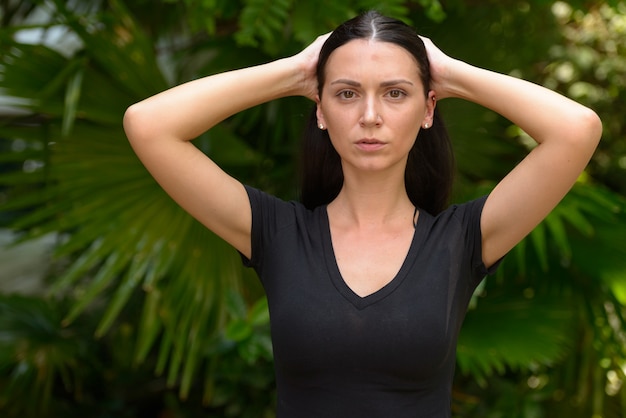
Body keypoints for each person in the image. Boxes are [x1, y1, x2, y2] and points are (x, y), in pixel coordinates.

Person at [123, 10, 601, 418]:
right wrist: (295, 71)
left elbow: (576, 130)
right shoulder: (275, 233)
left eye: (395, 93)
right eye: (347, 94)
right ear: (320, 109)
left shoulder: (463, 239)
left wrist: (449, 72)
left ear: (429, 109)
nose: (370, 116)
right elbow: (149, 125)